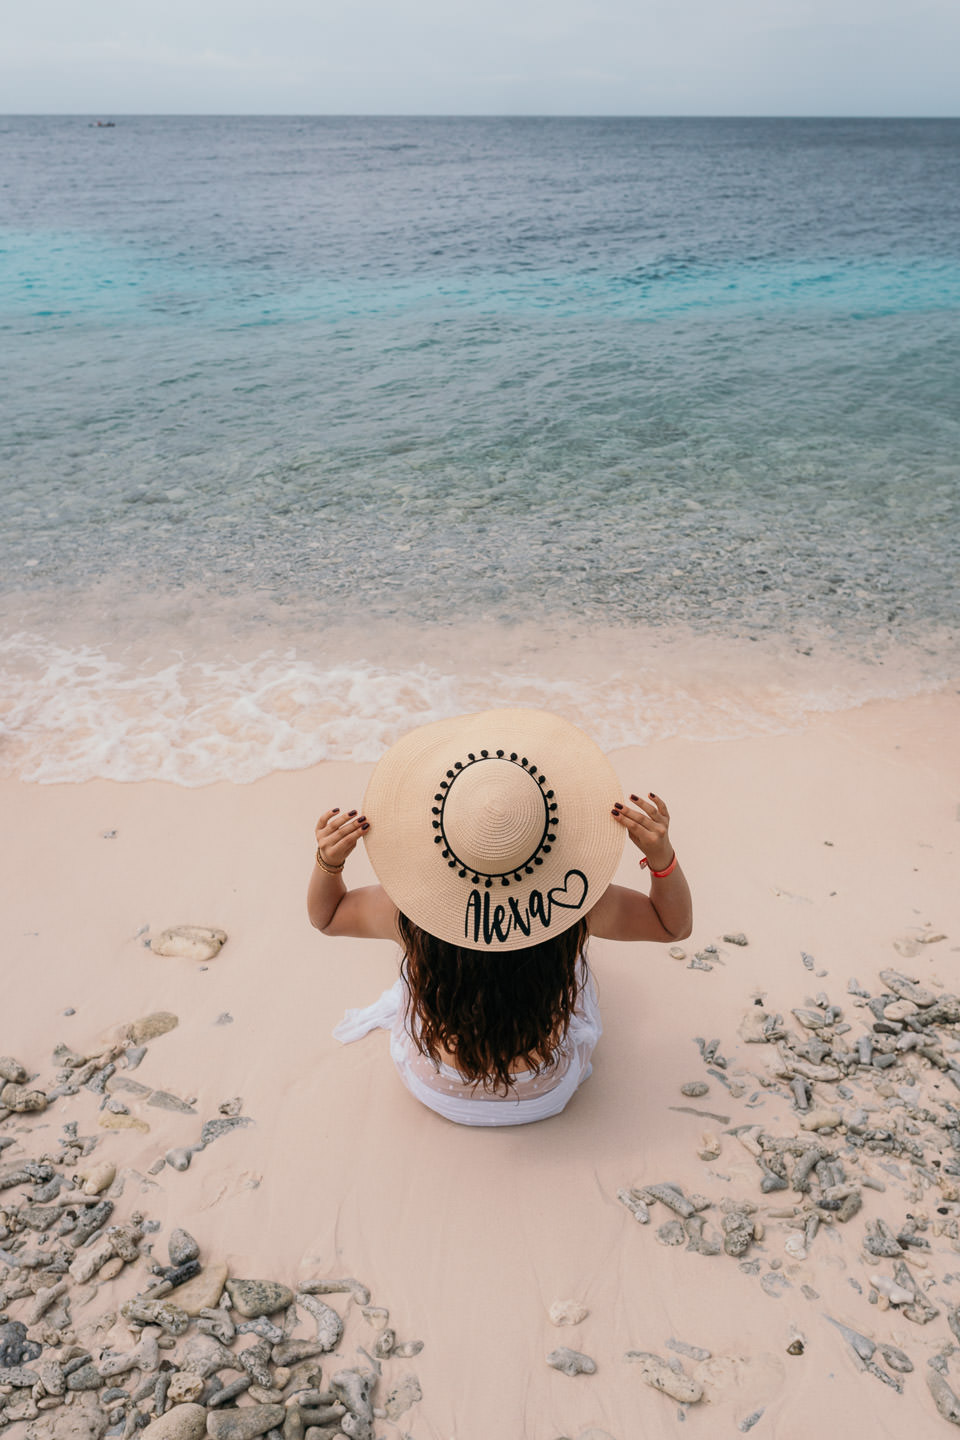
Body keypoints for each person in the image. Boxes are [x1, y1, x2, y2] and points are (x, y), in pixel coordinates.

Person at [307, 707, 692, 1126]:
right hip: (544, 1091)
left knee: (421, 970)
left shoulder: (404, 910)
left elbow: (327, 917)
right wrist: (661, 857)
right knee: (571, 962)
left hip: (437, 1086)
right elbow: (672, 926)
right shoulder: (577, 905)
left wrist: (329, 862)